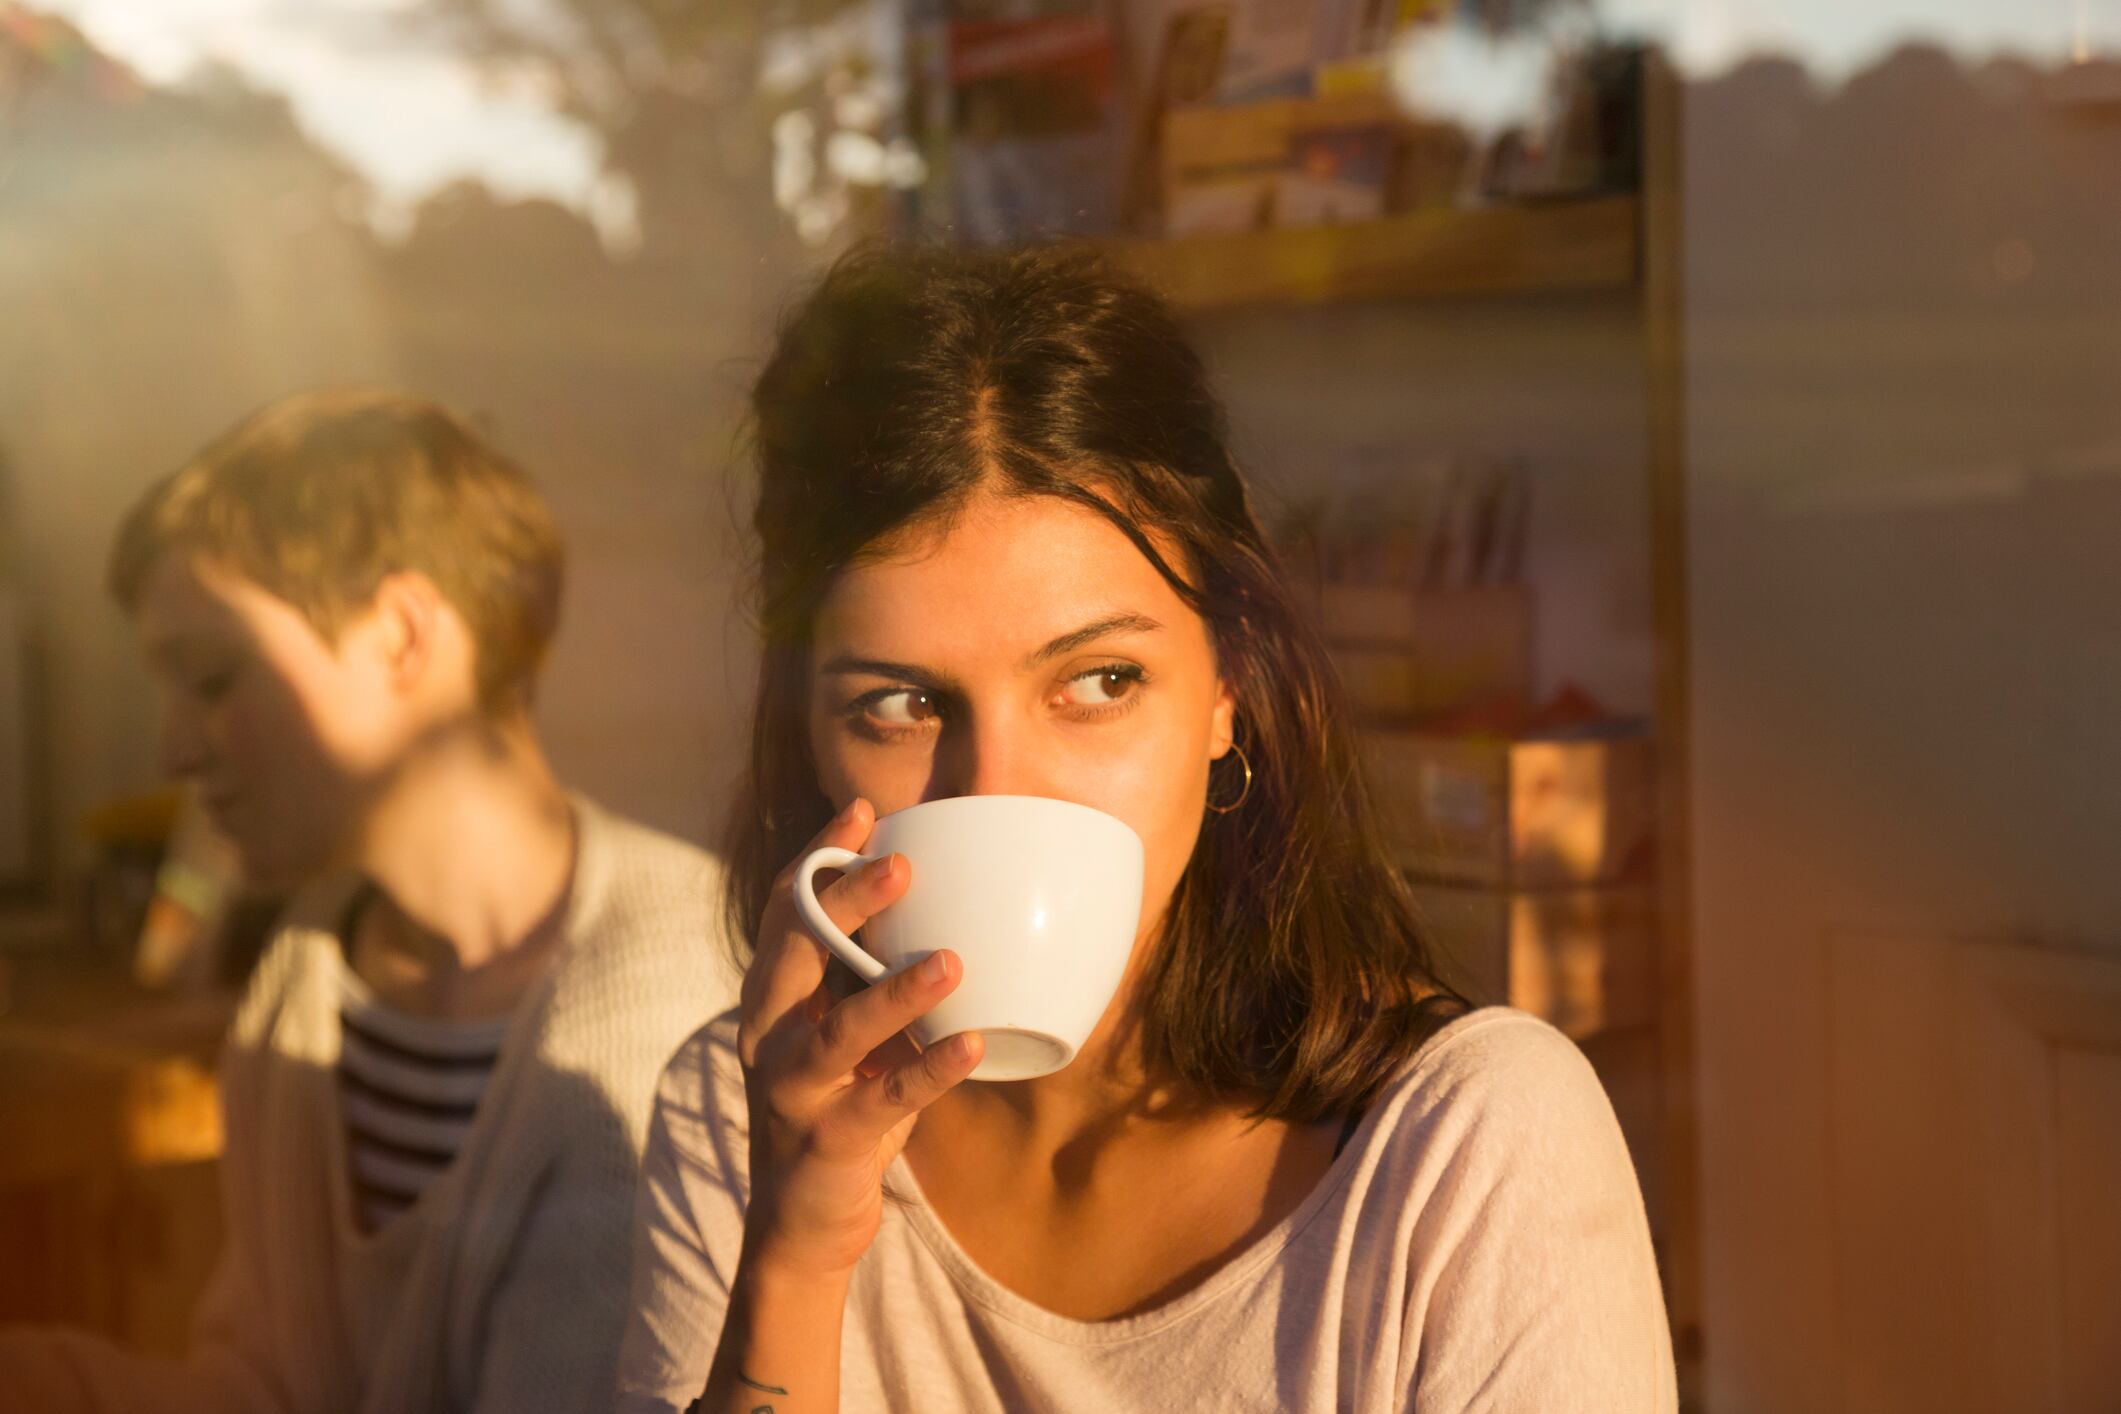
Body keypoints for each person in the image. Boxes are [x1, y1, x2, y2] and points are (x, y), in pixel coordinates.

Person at [614, 246, 1677, 1412]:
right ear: (810, 740)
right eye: (902, 704)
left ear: (1227, 690)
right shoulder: (744, 1123)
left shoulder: (1463, 1154)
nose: (1000, 789)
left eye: (1101, 679)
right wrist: (797, 1258)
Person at [0, 389, 740, 1414]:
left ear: (401, 634)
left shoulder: (672, 1005)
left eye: (212, 678)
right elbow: (273, 1386)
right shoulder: (310, 970)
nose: (172, 748)